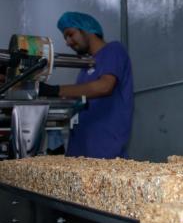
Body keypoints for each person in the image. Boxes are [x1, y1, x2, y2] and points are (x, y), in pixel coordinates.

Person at [39, 12, 134, 159]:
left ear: (86, 29)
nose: (68, 42)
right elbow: (80, 100)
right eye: (66, 38)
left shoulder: (113, 50)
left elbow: (104, 86)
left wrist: (55, 90)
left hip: (105, 150)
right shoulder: (85, 66)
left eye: (70, 34)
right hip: (80, 148)